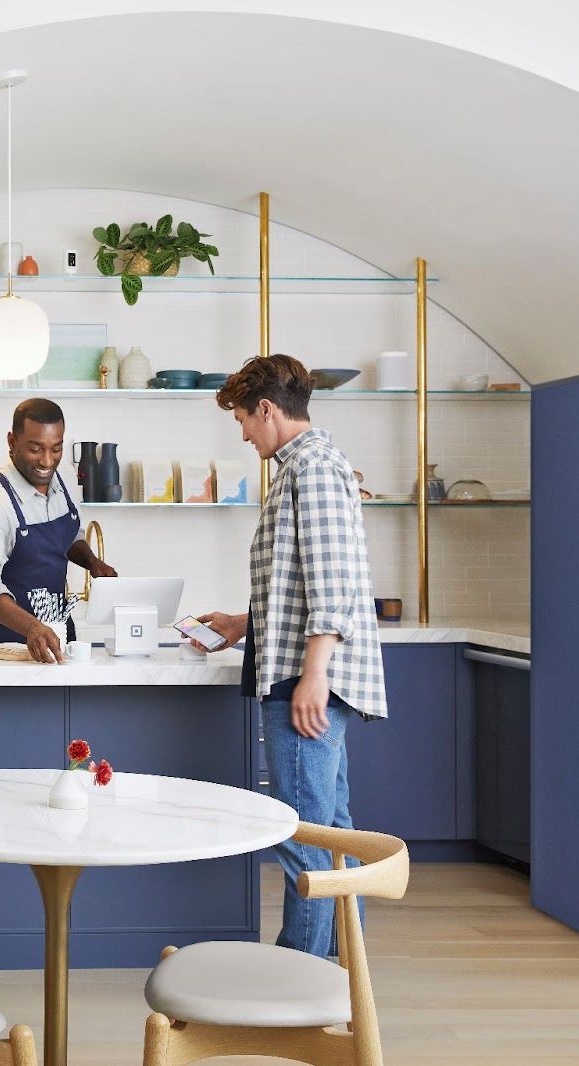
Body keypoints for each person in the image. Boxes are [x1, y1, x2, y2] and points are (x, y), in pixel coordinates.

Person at [192, 355, 387, 957]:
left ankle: (299, 975)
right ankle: (337, 966)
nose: (245, 434)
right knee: (331, 831)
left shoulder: (313, 470)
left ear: (269, 410)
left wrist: (314, 676)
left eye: (245, 420)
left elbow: (331, 584)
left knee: (301, 834)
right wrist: (243, 623)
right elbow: (302, 585)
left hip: (306, 682)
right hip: (302, 670)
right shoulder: (307, 467)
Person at [0, 397, 118, 663]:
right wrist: (31, 626)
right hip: (5, 648)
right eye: (36, 449)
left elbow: (70, 535)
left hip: (58, 637)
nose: (47, 461)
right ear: (12, 442)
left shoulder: (64, 477)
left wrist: (92, 562)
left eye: (56, 449)